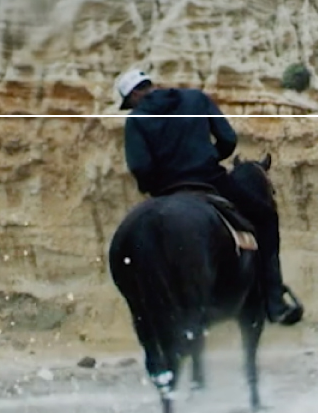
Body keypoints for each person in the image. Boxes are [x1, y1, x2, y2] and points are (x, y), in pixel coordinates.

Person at [115, 69, 303, 325]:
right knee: (266, 218)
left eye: (130, 102)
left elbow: (140, 166)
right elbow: (228, 139)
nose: (132, 107)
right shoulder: (196, 98)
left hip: (168, 190)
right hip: (210, 180)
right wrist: (207, 157)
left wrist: (155, 186)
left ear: (135, 94)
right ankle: (274, 301)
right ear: (149, 85)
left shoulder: (137, 119)